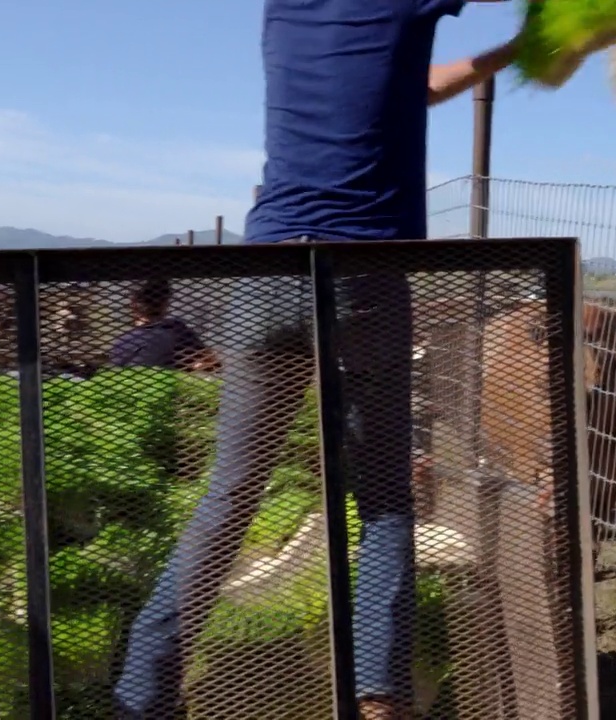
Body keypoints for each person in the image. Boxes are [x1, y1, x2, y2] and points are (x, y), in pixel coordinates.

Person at [114, 2, 528, 718]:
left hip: (266, 272)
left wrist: (510, 51)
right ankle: (379, 700)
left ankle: (142, 692)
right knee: (388, 506)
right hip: (362, 275)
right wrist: (558, 35)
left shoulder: (284, 10)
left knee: (228, 498)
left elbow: (413, 85)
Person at [108, 278, 220, 373]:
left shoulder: (122, 342)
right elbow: (212, 363)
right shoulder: (176, 330)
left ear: (132, 304)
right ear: (166, 303)